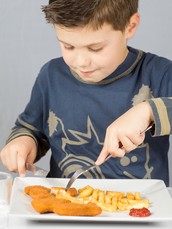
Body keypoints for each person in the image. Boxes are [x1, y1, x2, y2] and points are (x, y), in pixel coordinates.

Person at [0, 0, 172, 186]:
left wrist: (148, 111)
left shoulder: (160, 73)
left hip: (142, 207)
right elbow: (31, 129)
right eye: (68, 46)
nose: (81, 62)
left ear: (130, 26)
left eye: (95, 48)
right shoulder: (51, 76)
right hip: (65, 206)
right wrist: (23, 142)